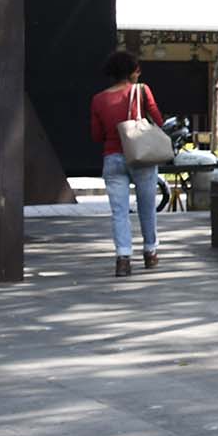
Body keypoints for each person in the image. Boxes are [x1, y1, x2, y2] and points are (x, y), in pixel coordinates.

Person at [90, 49, 165, 276]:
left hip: (112, 158)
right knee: (147, 208)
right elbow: (158, 121)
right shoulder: (142, 91)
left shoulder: (98, 99)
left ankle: (123, 258)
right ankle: (150, 252)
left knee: (119, 212)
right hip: (141, 156)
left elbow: (96, 135)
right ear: (132, 71)